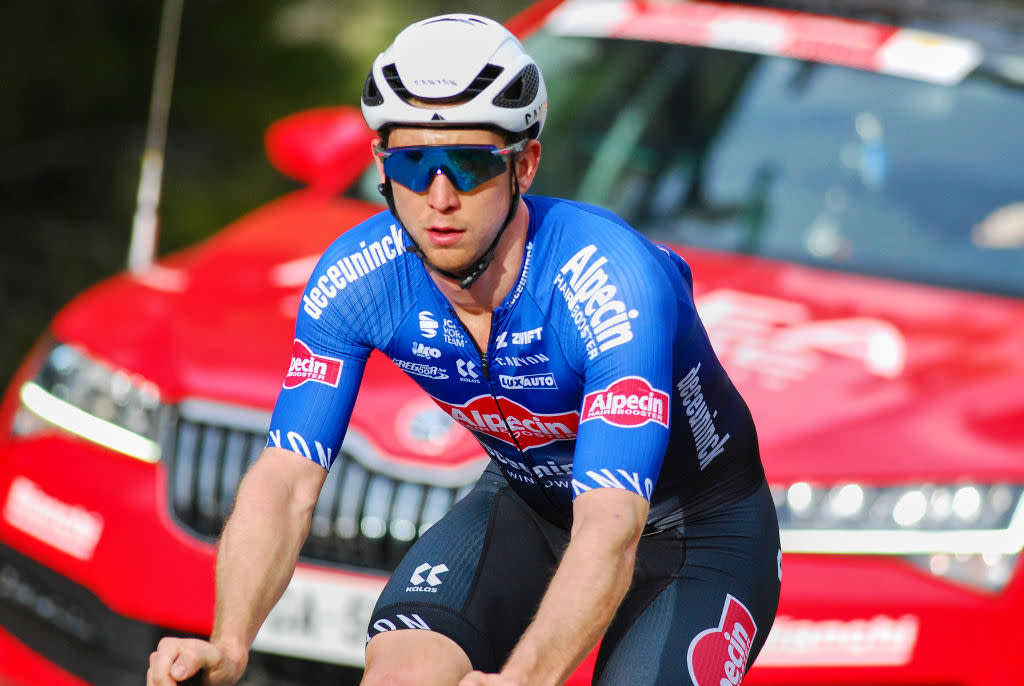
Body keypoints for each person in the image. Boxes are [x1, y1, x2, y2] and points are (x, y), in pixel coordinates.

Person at [146, 13, 781, 686]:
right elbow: (287, 479)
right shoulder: (358, 280)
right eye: (414, 164)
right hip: (530, 505)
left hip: (697, 533)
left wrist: (523, 680)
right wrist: (231, 643)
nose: (439, 197)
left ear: (524, 165)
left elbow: (612, 523)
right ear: (380, 168)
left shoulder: (608, 281)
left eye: (471, 165)